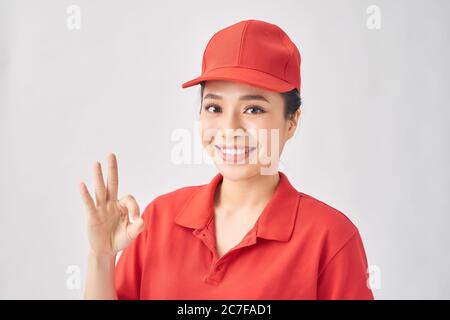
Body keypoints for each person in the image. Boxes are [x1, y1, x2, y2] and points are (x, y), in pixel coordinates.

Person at [79, 19, 374, 300]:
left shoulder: (330, 237)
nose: (230, 129)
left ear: (292, 121)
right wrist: (102, 257)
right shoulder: (157, 221)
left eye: (253, 110)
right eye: (214, 107)